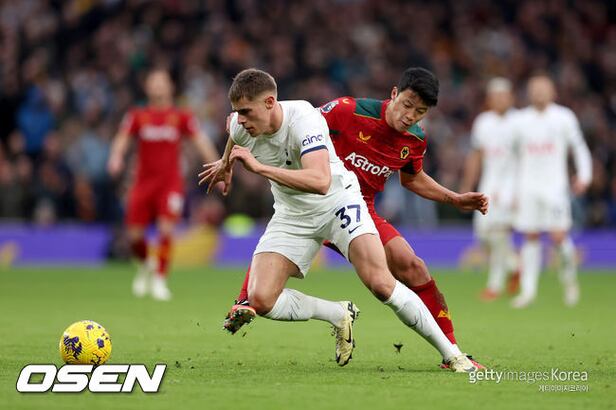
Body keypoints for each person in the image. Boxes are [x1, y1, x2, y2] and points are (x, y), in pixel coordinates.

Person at [205, 67, 484, 371]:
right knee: (260, 299)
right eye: (407, 105)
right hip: (294, 212)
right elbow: (238, 131)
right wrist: (225, 163)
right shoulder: (343, 111)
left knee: (395, 276)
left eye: (420, 112)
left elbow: (399, 179)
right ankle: (333, 313)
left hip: (342, 202)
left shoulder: (412, 139)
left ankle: (453, 354)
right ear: (394, 94)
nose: (410, 116)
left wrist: (453, 198)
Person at [107, 69, 218, 301]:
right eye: (153, 82)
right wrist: (116, 157)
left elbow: (201, 140)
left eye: (161, 82)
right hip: (142, 183)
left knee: (166, 229)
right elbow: (122, 137)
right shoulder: (137, 115)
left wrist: (218, 166)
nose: (157, 86)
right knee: (134, 236)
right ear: (147, 87)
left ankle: (159, 279)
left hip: (170, 184)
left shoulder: (181, 117)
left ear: (170, 87)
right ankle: (146, 263)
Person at [510, 74, 592, 309]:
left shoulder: (564, 117)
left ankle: (569, 282)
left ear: (553, 92)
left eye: (543, 88)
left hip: (555, 187)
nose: (539, 92)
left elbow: (579, 147)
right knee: (531, 236)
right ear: (528, 93)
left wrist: (584, 176)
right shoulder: (520, 120)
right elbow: (513, 158)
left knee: (558, 236)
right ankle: (528, 291)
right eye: (534, 88)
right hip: (527, 186)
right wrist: (512, 189)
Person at [461, 78, 520, 301]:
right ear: (489, 99)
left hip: (512, 186)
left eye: (503, 95)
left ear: (511, 97)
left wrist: (522, 191)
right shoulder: (483, 122)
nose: (500, 100)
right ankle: (514, 265)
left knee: (498, 234)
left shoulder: (520, 121)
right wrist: (467, 185)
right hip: (489, 184)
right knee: (483, 233)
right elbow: (476, 155)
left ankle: (494, 286)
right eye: (495, 96)